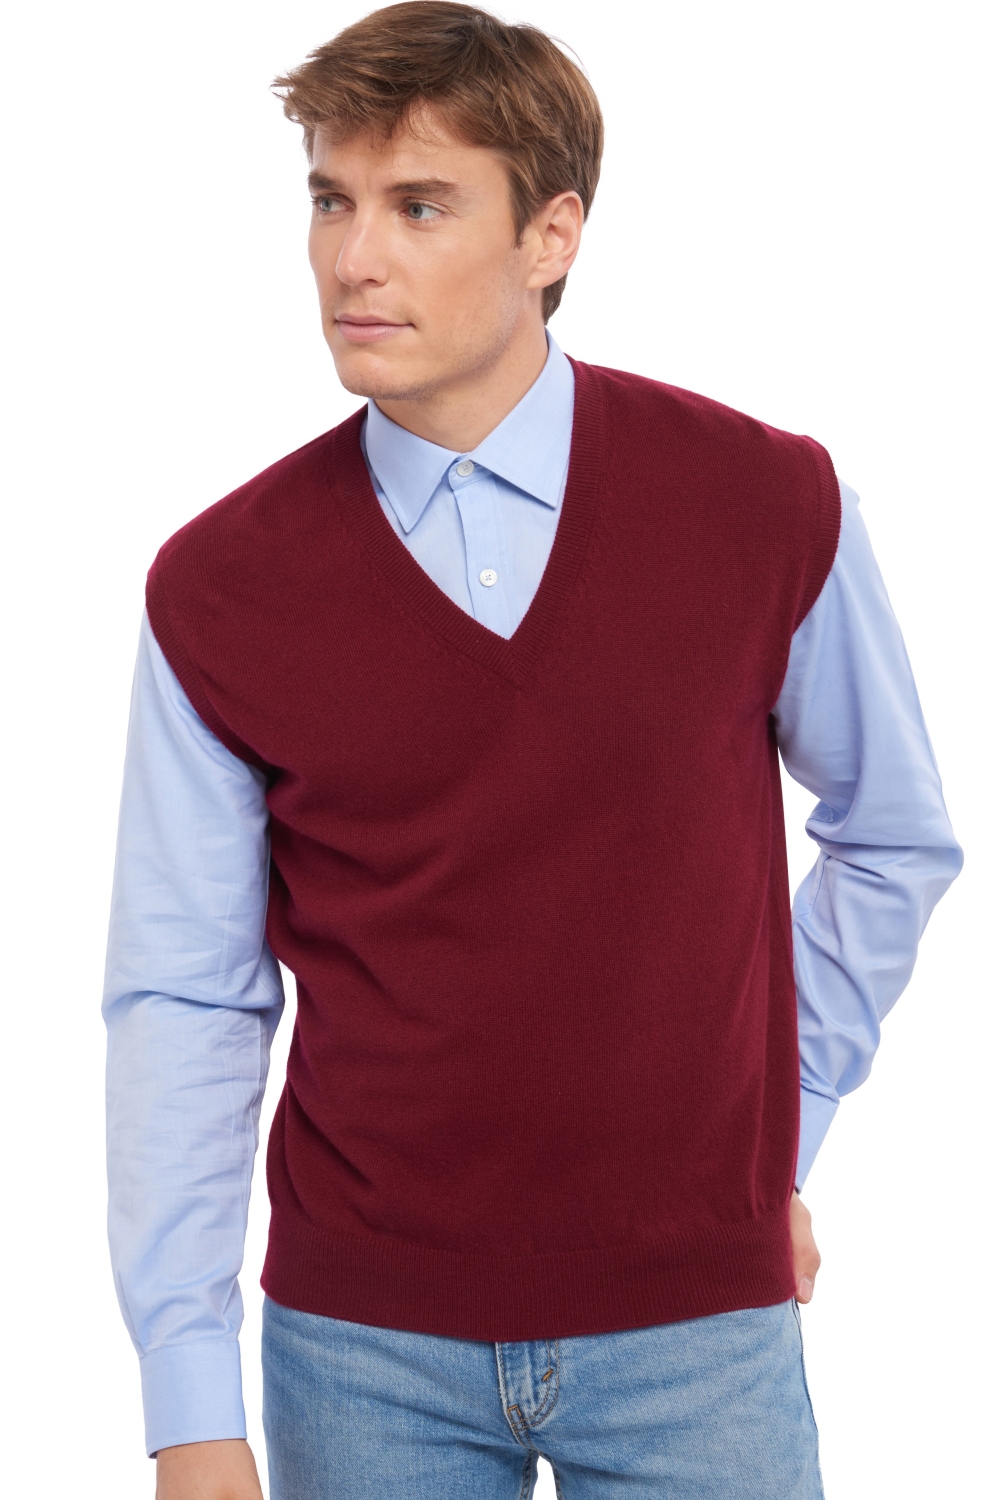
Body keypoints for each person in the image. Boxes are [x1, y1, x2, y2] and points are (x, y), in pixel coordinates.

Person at [103, 5, 962, 1496]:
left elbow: (893, 837)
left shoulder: (766, 506)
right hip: (360, 1351)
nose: (353, 259)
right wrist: (188, 1399)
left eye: (419, 206)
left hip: (700, 1334)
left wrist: (777, 1136)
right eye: (331, 201)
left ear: (551, 234)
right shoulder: (221, 586)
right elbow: (186, 991)